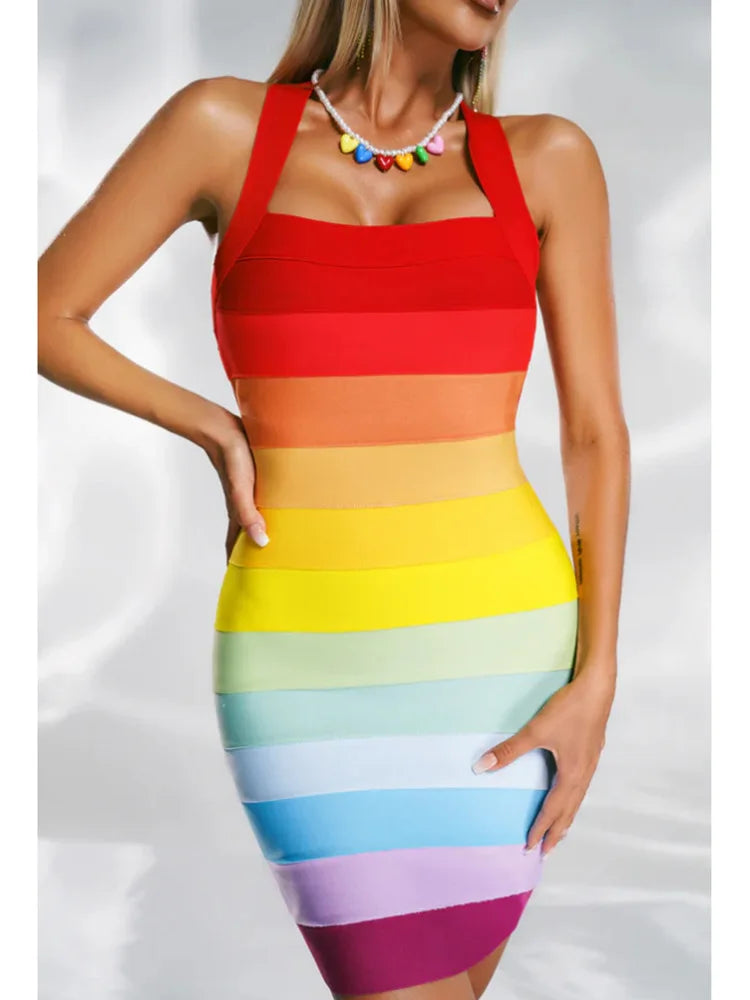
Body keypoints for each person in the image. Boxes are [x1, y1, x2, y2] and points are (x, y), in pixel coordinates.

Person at [38, 1, 630, 997]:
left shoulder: (549, 158)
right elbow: (41, 311)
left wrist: (598, 680)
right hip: (301, 669)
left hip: (501, 659)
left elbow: (594, 436)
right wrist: (214, 426)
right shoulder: (219, 128)